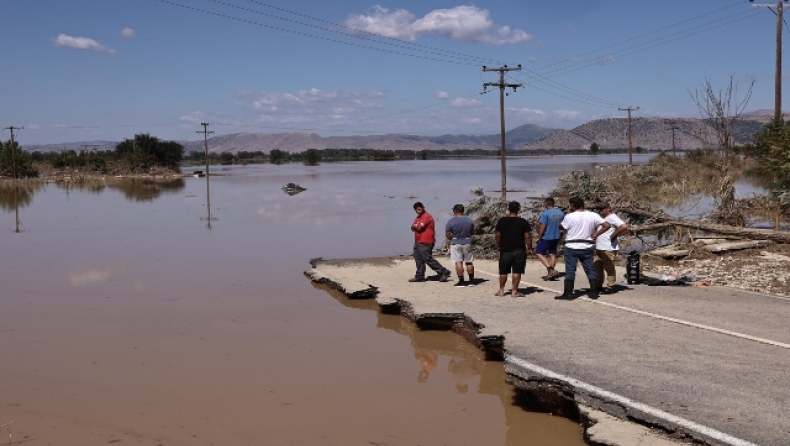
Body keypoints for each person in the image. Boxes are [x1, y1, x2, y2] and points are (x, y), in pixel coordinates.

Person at [555, 197, 611, 300]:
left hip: (572, 245)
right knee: (590, 268)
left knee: (570, 269)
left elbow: (561, 227)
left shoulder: (570, 216)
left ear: (572, 206)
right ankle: (594, 292)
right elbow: (607, 225)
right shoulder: (593, 215)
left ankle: (568, 293)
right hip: (587, 245)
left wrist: (568, 213)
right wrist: (596, 234)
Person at [494, 201, 533, 297]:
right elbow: (527, 236)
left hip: (505, 249)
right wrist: (530, 248)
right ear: (519, 209)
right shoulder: (523, 222)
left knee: (503, 271)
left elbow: (498, 235)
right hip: (519, 249)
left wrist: (499, 245)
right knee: (517, 271)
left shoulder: (502, 221)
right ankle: (514, 291)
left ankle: (501, 290)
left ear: (508, 209)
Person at [410, 202, 452, 283]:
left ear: (423, 208)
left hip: (426, 241)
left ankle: (443, 271)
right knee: (418, 259)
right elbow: (412, 228)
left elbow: (419, 228)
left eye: (419, 208)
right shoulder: (418, 217)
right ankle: (420, 276)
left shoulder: (426, 216)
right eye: (416, 209)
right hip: (418, 240)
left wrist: (415, 226)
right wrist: (415, 226)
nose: (418, 210)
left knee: (427, 258)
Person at [594, 202, 629, 293]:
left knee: (608, 267)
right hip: (599, 246)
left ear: (608, 208)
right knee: (597, 266)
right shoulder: (602, 218)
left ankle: (610, 286)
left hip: (608, 247)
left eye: (601, 209)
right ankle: (598, 285)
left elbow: (624, 226)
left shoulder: (613, 217)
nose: (600, 211)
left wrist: (613, 235)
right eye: (599, 209)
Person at [445, 204, 475, 287]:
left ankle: (461, 281)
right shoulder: (469, 220)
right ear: (463, 211)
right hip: (467, 241)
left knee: (458, 262)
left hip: (456, 242)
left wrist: (452, 238)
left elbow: (447, 234)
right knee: (469, 262)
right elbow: (472, 232)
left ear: (454, 211)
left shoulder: (451, 221)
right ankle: (471, 280)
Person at [535, 197, 565, 281]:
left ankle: (550, 269)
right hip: (557, 236)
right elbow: (563, 225)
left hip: (547, 236)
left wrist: (539, 236)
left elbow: (543, 226)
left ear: (546, 204)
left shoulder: (546, 213)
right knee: (552, 253)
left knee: (538, 252)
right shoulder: (561, 213)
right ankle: (551, 274)